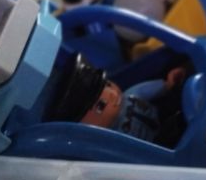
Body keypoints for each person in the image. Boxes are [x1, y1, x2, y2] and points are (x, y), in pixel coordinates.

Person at [49, 54, 186, 143]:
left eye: (108, 84)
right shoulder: (112, 141)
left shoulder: (129, 96)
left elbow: (144, 91)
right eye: (101, 106)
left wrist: (166, 85)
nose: (113, 94)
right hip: (158, 147)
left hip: (164, 116)